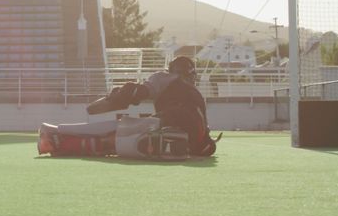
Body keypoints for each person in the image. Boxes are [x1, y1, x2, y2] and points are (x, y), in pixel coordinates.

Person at [38, 56, 219, 159]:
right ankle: (70, 142)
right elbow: (203, 137)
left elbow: (137, 92)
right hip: (195, 137)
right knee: (128, 137)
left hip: (169, 120)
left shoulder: (165, 78)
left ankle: (57, 133)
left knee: (124, 126)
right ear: (192, 75)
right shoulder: (197, 95)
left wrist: (118, 96)